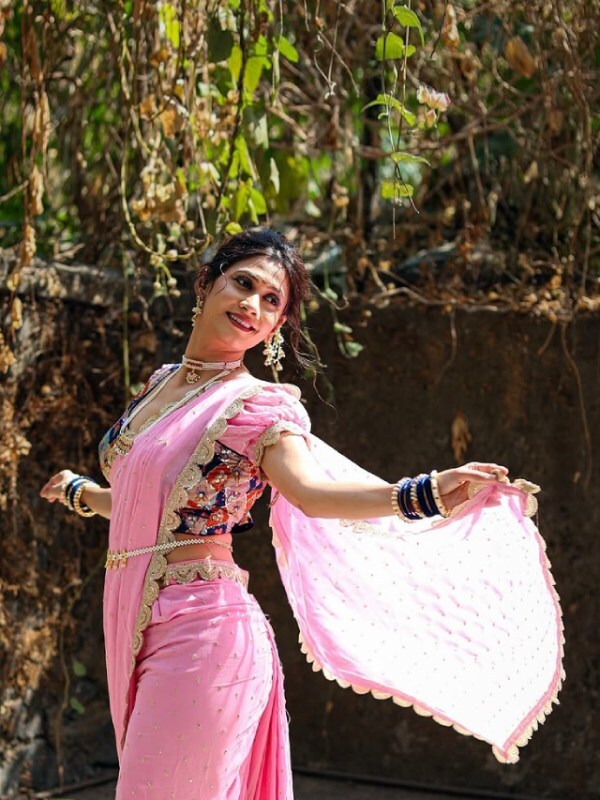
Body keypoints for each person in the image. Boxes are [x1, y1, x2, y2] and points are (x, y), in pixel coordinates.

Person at [40, 228, 564, 799]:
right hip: (137, 623)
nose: (252, 306)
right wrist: (80, 493)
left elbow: (311, 492)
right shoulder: (162, 386)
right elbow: (152, 509)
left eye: (272, 302)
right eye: (243, 284)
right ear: (206, 282)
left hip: (203, 635)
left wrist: (423, 493)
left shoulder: (257, 408)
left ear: (274, 331)